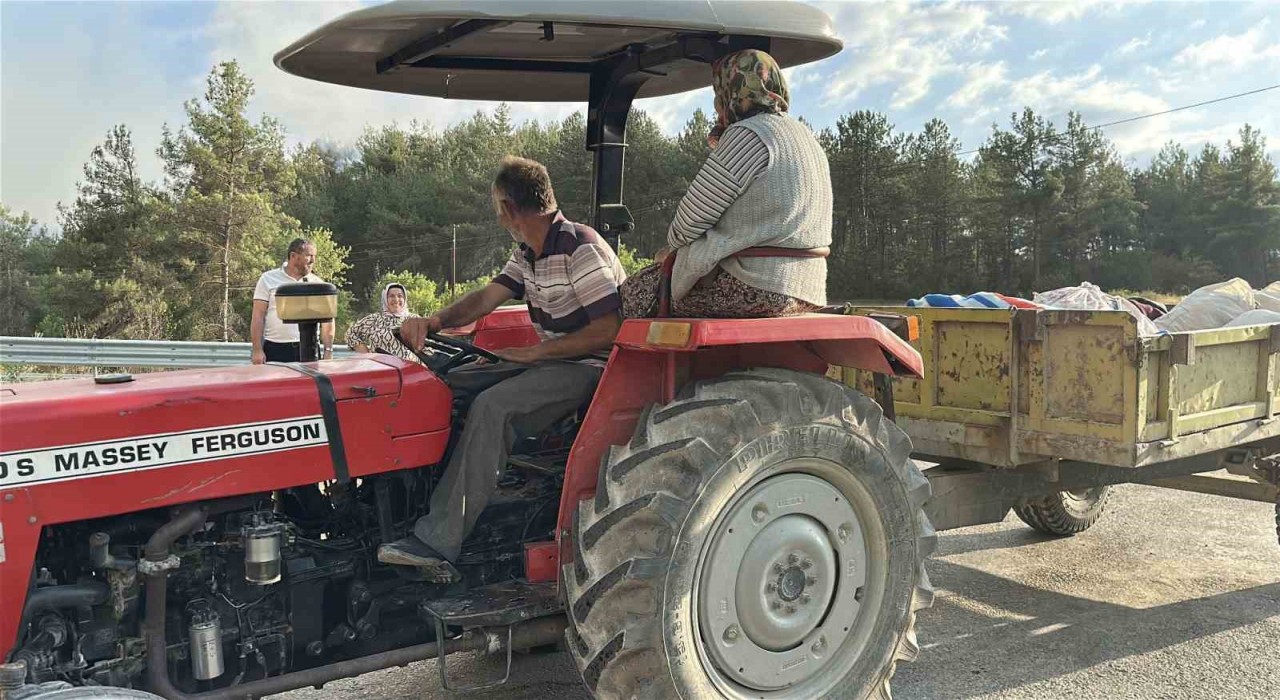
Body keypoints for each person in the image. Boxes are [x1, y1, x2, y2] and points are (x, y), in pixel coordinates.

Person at [376, 156, 626, 579]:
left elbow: (610, 330)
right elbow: (485, 298)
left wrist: (535, 354)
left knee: (494, 406)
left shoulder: (579, 247)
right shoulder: (528, 253)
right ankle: (425, 510)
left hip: (594, 368)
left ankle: (438, 541)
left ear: (508, 208)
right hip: (555, 361)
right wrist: (433, 322)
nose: (497, 215)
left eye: (496, 206)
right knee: (453, 385)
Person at [620, 49, 832, 319]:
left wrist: (671, 251)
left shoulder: (749, 134)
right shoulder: (805, 136)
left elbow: (686, 225)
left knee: (632, 295)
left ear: (730, 91)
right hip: (807, 289)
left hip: (751, 286)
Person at [251, 238, 334, 364]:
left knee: (308, 384)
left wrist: (328, 350)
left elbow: (328, 321)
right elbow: (258, 316)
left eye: (314, 256)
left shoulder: (318, 283)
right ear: (293, 256)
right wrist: (257, 350)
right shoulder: (268, 279)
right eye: (309, 256)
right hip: (276, 348)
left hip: (309, 350)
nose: (313, 260)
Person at [345, 283, 422, 362]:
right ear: (385, 298)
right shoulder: (374, 319)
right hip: (380, 369)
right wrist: (366, 353)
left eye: (400, 296)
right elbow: (350, 334)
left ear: (405, 299)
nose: (396, 299)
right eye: (391, 296)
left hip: (409, 370)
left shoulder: (415, 320)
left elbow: (429, 347)